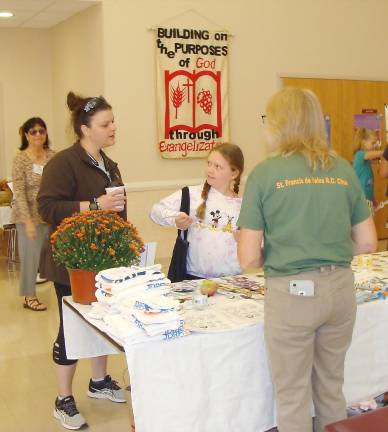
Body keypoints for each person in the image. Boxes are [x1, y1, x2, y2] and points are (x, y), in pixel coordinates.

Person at [237, 87, 377, 432]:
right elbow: (368, 241)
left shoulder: (264, 174)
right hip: (340, 289)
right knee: (331, 388)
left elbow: (249, 257)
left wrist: (288, 251)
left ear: (278, 124)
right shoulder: (342, 169)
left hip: (292, 294)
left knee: (292, 395)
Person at [37, 92, 128, 430]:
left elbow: (116, 208)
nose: (113, 127)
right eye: (106, 124)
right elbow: (46, 207)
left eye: (113, 121)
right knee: (71, 329)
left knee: (102, 322)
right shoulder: (63, 163)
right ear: (85, 129)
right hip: (70, 263)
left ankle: (99, 381)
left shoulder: (108, 163)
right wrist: (93, 206)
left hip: (104, 261)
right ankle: (63, 398)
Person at [150, 143, 244, 279]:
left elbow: (261, 244)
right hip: (192, 279)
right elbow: (155, 211)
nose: (210, 170)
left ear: (234, 173)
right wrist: (175, 219)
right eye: (209, 164)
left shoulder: (243, 205)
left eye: (217, 167)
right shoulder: (191, 195)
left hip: (231, 281)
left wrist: (247, 239)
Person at [11, 117, 55, 311]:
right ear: (26, 135)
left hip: (49, 214)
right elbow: (19, 191)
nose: (38, 135)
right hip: (26, 215)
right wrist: (28, 221)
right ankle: (29, 297)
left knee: (53, 257)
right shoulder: (21, 159)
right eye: (34, 131)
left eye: (41, 131)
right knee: (30, 257)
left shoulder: (53, 156)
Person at [352, 127, 383, 207]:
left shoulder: (367, 161)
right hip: (360, 200)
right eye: (372, 143)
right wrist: (385, 152)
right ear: (363, 142)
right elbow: (374, 154)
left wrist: (373, 198)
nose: (374, 146)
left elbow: (368, 184)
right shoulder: (360, 155)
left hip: (367, 200)